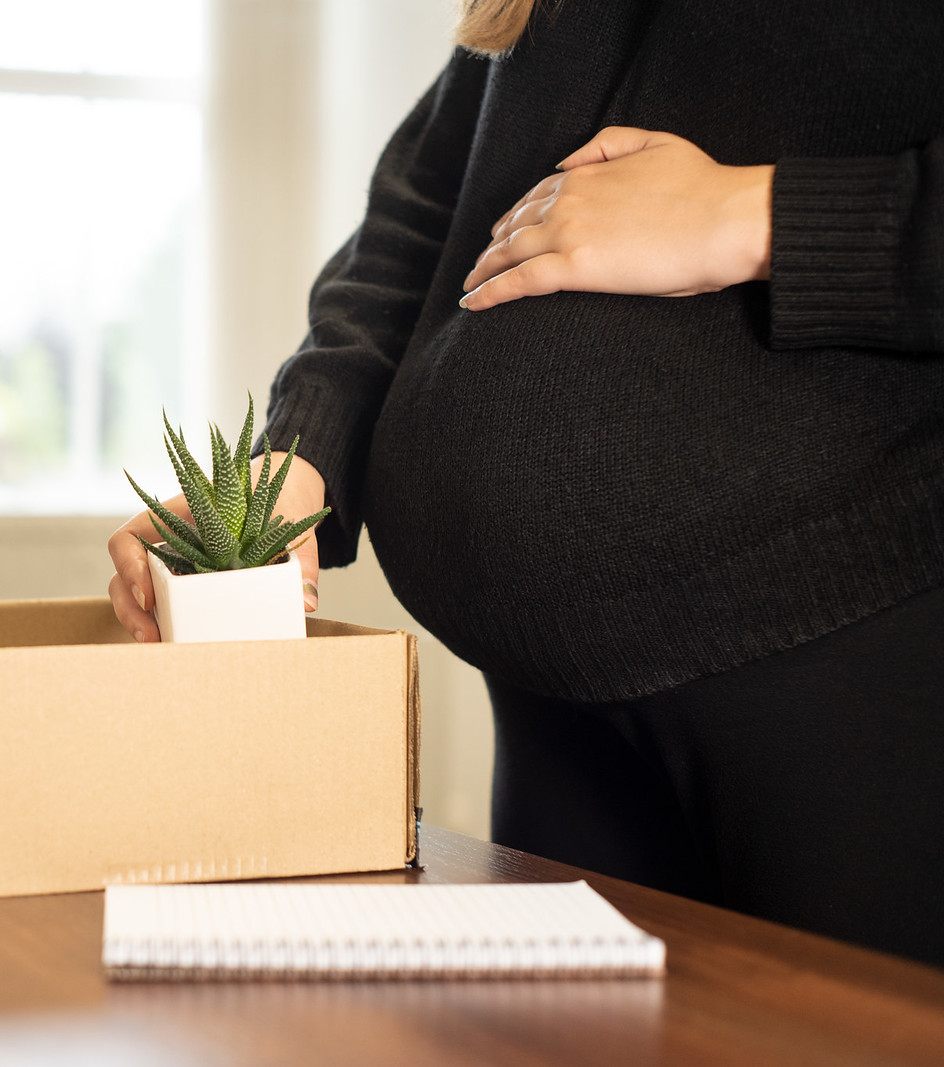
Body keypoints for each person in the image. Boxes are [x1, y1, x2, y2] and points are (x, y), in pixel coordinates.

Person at [107, 0, 944, 967]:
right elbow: (430, 207)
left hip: (847, 663)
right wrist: (300, 457)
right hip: (552, 709)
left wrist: (762, 216)